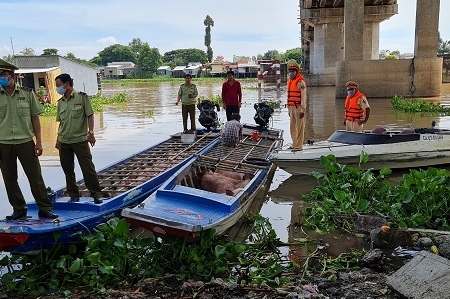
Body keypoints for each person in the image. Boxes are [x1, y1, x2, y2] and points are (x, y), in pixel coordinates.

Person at [0, 59, 59, 220]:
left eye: (2, 74)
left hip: (26, 141)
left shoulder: (27, 94)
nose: (0, 77)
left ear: (12, 76)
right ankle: (19, 209)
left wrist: (39, 141)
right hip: (3, 144)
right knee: (9, 179)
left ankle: (45, 208)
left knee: (35, 177)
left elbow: (35, 119)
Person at [55, 73, 103, 204]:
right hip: (64, 141)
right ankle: (73, 194)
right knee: (68, 169)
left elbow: (90, 115)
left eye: (58, 85)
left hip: (80, 140)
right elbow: (61, 123)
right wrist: (57, 139)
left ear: (67, 84)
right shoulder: (60, 103)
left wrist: (91, 133)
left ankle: (96, 193)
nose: (57, 88)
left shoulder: (82, 98)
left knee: (87, 168)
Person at [286, 59, 307, 150]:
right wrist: (288, 109)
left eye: (292, 71)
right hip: (291, 107)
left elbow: (304, 96)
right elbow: (288, 96)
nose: (291, 73)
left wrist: (303, 109)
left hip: (298, 107)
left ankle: (299, 146)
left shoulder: (300, 82)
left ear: (296, 71)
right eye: (290, 71)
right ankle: (294, 144)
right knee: (292, 127)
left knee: (299, 127)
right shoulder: (289, 81)